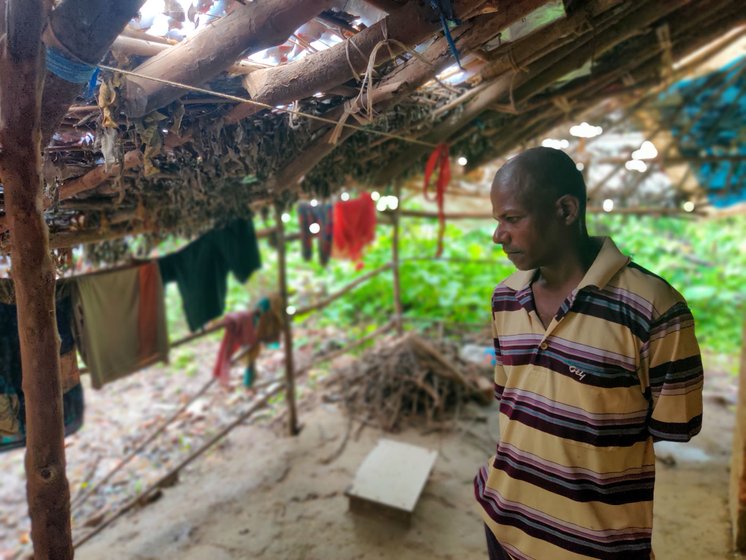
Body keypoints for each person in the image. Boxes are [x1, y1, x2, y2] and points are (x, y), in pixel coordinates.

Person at [474, 147, 704, 560]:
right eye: (497, 221)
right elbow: (511, 403)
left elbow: (676, 423)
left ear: (565, 210)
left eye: (512, 219)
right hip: (503, 522)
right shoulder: (505, 299)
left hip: (593, 546)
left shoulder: (654, 310)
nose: (498, 235)